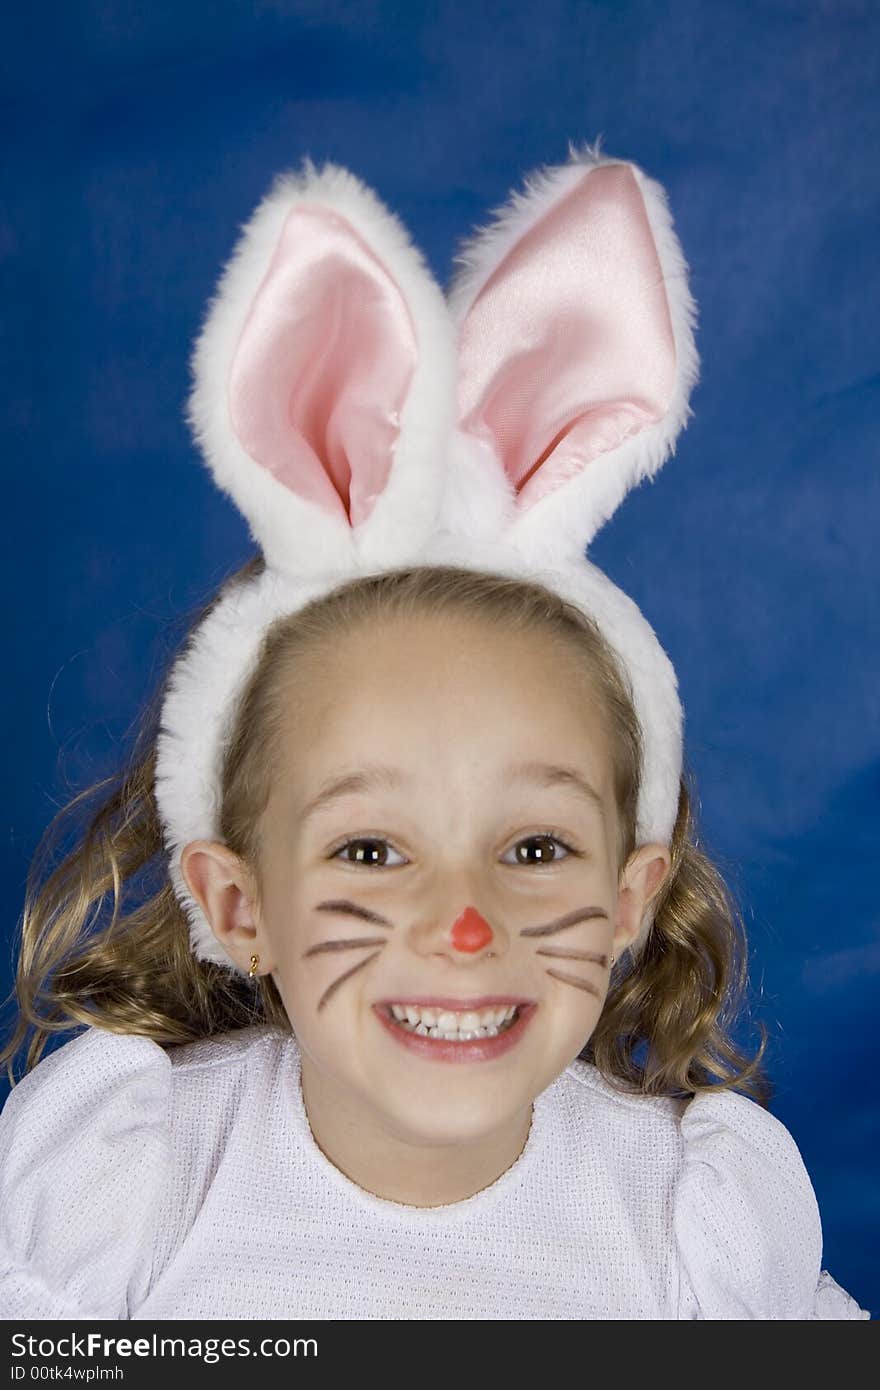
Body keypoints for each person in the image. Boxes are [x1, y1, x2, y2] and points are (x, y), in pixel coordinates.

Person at [0, 145, 870, 1321]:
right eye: (370, 849)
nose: (462, 925)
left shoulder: (687, 1231)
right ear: (237, 903)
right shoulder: (128, 1195)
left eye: (533, 848)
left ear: (629, 892)